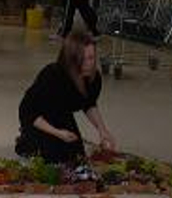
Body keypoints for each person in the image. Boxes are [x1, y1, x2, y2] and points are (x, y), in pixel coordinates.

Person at [16, 31, 115, 164]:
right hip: (37, 118)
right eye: (82, 59)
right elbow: (29, 112)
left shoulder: (93, 78)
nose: (88, 64)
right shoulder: (52, 75)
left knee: (75, 155)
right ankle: (26, 140)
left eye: (91, 58)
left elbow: (89, 104)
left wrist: (102, 130)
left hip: (61, 114)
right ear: (71, 59)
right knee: (54, 158)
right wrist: (57, 133)